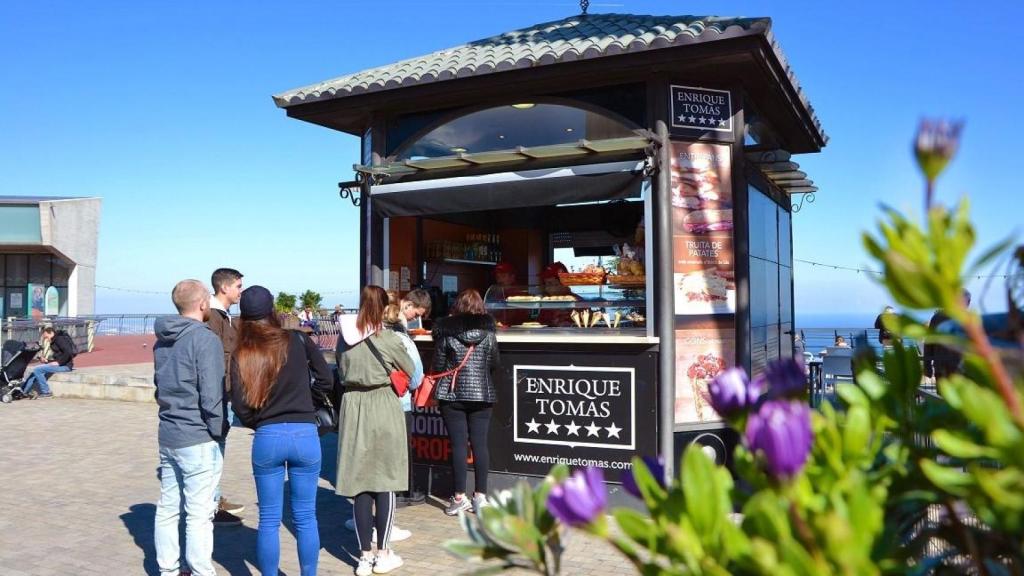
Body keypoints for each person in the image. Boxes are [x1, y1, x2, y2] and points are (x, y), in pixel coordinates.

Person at [230, 286, 334, 576]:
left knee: (269, 519)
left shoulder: (243, 352)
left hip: (267, 437)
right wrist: (307, 405)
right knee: (305, 517)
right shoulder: (298, 340)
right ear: (272, 309)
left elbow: (239, 404)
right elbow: (326, 380)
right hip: (304, 435)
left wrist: (259, 421)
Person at [336, 285, 416, 575]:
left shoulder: (344, 339)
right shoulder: (389, 337)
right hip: (382, 404)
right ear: (384, 307)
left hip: (353, 404)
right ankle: (383, 552)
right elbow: (412, 372)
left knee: (359, 484)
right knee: (386, 480)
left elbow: (341, 373)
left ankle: (363, 555)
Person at [153, 280, 225, 576]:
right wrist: (219, 429)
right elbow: (212, 394)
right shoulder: (205, 340)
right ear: (203, 303)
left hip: (169, 432)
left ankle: (168, 569)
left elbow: (159, 385)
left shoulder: (162, 339)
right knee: (199, 513)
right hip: (197, 435)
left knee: (168, 507)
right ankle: (200, 571)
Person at [431, 289, 500, 516]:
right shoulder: (489, 335)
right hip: (482, 394)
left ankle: (459, 497)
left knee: (459, 446)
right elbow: (494, 363)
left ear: (457, 306)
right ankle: (480, 496)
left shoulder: (447, 334)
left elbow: (439, 366)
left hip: (452, 396)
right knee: (480, 445)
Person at [205, 267, 245, 525]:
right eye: (238, 286)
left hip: (225, 392)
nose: (241, 291)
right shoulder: (214, 318)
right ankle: (210, 506)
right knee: (212, 449)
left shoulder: (224, 316)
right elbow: (212, 359)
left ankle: (214, 498)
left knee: (217, 447)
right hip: (217, 394)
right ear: (224, 288)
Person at [924, 289, 971, 379]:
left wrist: (927, 368)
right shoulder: (938, 317)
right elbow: (929, 343)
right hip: (947, 369)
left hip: (957, 370)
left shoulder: (969, 319)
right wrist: (927, 367)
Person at [21, 326, 75, 398]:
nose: (46, 339)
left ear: (51, 333)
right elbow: (59, 357)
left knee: (38, 369)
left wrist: (59, 363)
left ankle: (46, 392)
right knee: (34, 371)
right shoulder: (55, 340)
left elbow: (68, 352)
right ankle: (23, 391)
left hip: (66, 366)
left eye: (46, 337)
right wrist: (47, 361)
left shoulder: (60, 339)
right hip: (61, 364)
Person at [537, 262, 579, 328]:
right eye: (545, 284)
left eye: (550, 283)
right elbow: (541, 325)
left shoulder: (579, 303)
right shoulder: (547, 303)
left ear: (563, 283)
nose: (546, 288)